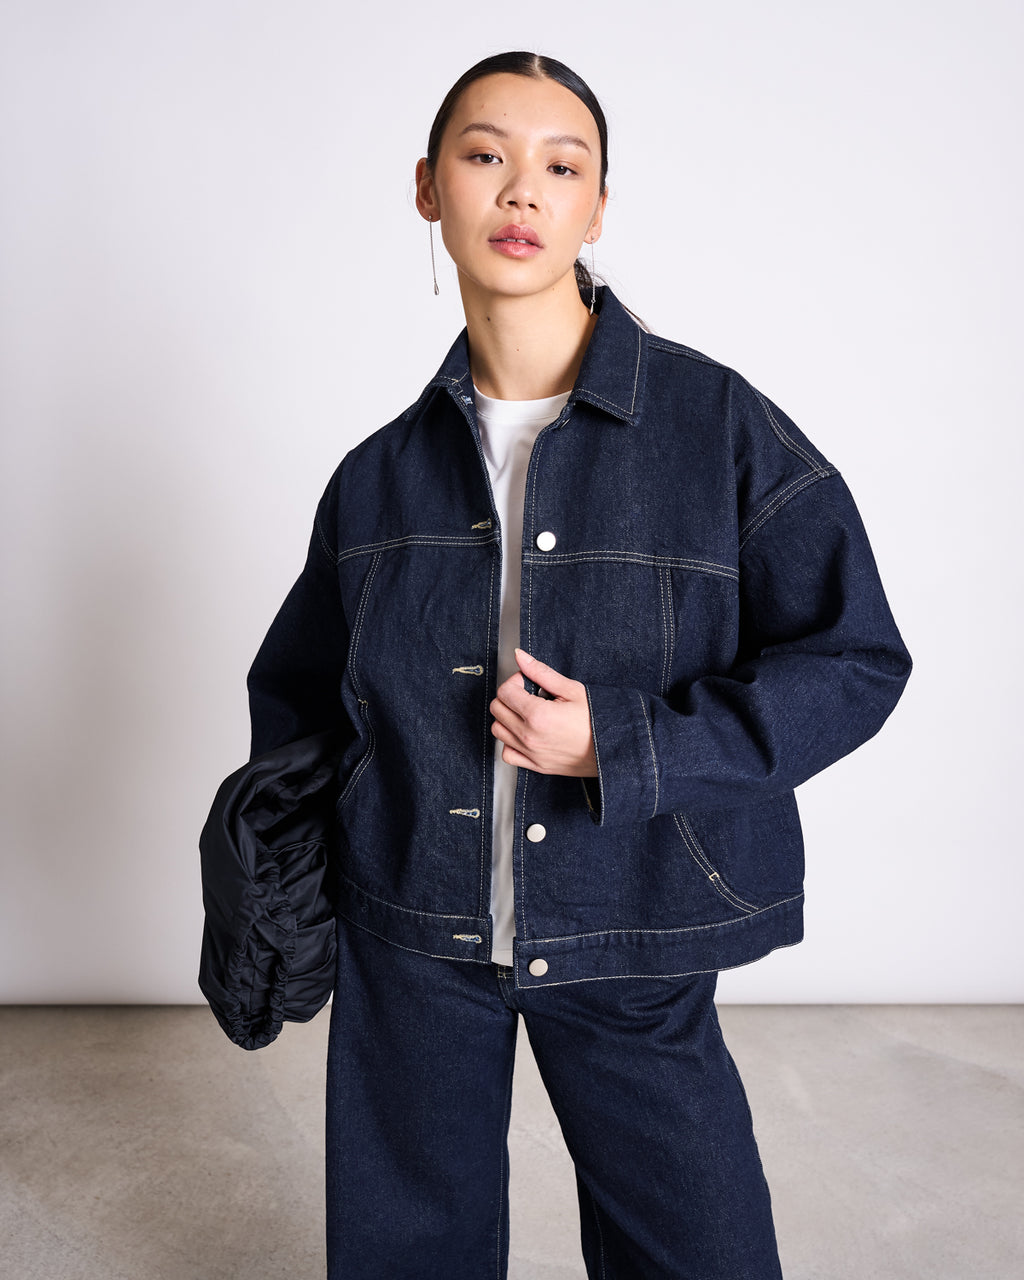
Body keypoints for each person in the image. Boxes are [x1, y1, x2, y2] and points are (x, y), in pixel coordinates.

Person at [244, 50, 911, 1280]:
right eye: (484, 155)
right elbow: (302, 708)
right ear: (428, 188)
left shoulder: (716, 426)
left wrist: (624, 741)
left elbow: (855, 657)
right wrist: (275, 892)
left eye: (562, 167)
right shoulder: (376, 477)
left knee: (699, 1249)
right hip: (413, 934)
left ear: (597, 207)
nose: (522, 191)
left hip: (634, 921)